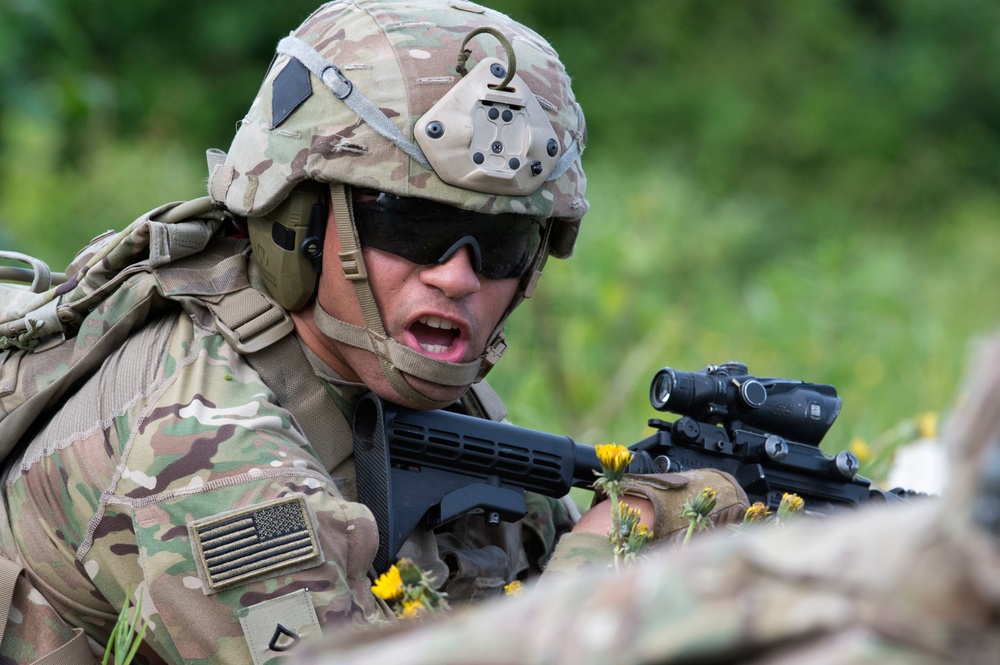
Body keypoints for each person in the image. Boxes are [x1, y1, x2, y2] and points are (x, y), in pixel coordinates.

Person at [0, 2, 746, 663]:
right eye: (414, 224)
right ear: (299, 223)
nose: (458, 277)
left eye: (502, 242)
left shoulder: (376, 374)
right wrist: (610, 557)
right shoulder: (200, 448)